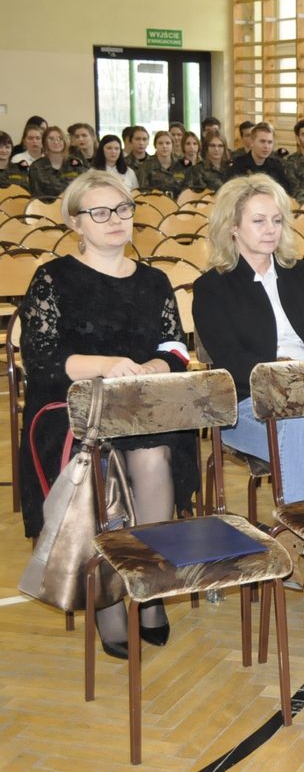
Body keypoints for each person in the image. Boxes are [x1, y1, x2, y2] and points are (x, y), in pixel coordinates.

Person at [17, 170, 196, 659]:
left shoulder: (155, 280)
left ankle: (149, 585)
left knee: (154, 455)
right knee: (104, 462)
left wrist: (153, 367)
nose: (114, 219)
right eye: (99, 212)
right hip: (72, 405)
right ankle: (107, 598)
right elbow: (42, 359)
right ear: (76, 222)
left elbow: (176, 347)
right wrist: (107, 365)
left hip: (140, 402)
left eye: (122, 209)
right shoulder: (53, 277)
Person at [191, 174, 304, 627]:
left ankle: (286, 539)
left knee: (302, 415)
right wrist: (280, 373)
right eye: (258, 220)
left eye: (277, 220)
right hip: (247, 406)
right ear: (232, 227)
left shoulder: (299, 274)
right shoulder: (212, 287)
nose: (271, 229)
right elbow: (228, 359)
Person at [28, 126, 89, 198]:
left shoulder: (76, 164)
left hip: (72, 203)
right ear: (44, 142)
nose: (56, 142)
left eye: (60, 138)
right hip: (47, 204)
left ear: (64, 141)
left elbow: (84, 190)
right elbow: (36, 196)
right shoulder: (36, 166)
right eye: (50, 139)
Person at [229, 123, 290, 191]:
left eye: (270, 142)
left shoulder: (276, 165)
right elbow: (232, 191)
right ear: (252, 142)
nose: (266, 146)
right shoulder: (238, 164)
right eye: (262, 141)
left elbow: (285, 191)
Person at [137, 131, 192, 197]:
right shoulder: (146, 166)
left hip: (180, 202)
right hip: (155, 202)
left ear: (172, 145)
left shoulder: (183, 165)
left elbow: (188, 190)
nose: (164, 146)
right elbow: (144, 192)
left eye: (168, 143)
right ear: (155, 145)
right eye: (160, 143)